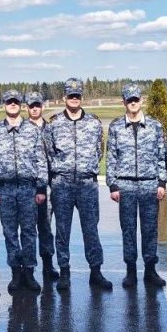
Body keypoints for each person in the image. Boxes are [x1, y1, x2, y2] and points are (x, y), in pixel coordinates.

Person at [44, 78, 111, 291]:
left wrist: (85, 169)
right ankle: (64, 271)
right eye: (70, 95)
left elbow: (99, 152)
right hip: (62, 184)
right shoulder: (54, 123)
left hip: (86, 184)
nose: (74, 98)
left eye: (77, 95)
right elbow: (48, 153)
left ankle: (96, 271)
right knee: (62, 230)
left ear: (81, 97)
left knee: (91, 229)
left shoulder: (93, 123)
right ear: (64, 97)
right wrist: (59, 172)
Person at [0, 89, 47, 294]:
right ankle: (15, 272)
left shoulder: (32, 130)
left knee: (29, 231)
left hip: (29, 188)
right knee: (10, 232)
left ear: (21, 105)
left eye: (16, 102)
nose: (12, 104)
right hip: (6, 188)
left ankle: (29, 271)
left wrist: (41, 187)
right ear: (4, 105)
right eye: (9, 102)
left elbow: (40, 160)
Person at [106, 83, 167, 289]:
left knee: (150, 229)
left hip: (149, 184)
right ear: (123, 102)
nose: (133, 103)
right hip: (125, 184)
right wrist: (113, 185)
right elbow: (111, 157)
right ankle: (130, 271)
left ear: (142, 101)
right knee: (128, 230)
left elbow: (161, 156)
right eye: (129, 100)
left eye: (136, 99)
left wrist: (161, 182)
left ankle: (150, 270)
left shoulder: (154, 126)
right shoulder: (116, 127)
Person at [25, 91, 58, 282]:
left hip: (48, 185)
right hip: (28, 185)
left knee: (46, 225)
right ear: (27, 108)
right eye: (31, 106)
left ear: (42, 107)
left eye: (37, 105)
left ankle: (48, 264)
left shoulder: (51, 129)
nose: (35, 109)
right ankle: (27, 267)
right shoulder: (21, 129)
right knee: (28, 227)